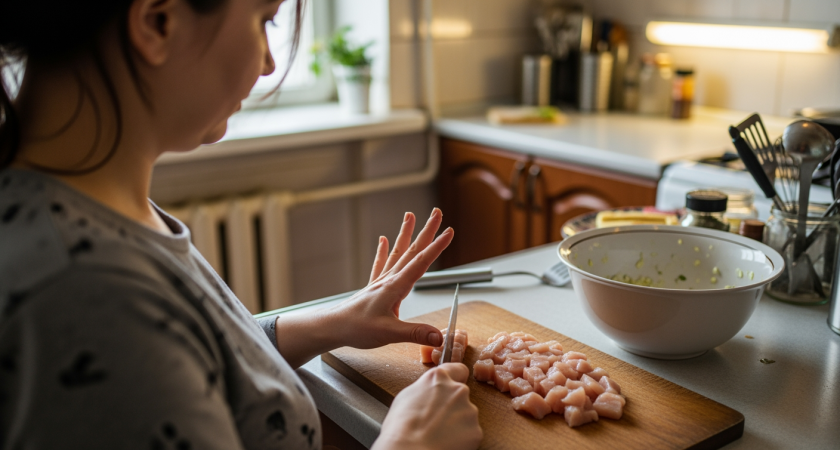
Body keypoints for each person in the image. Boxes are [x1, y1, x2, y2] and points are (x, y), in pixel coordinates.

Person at [0, 0, 483, 449]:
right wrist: (410, 443)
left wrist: (333, 323)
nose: (269, 64)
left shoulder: (87, 209)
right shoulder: (86, 294)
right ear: (157, 22)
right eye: (264, 20)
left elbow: (197, 356)